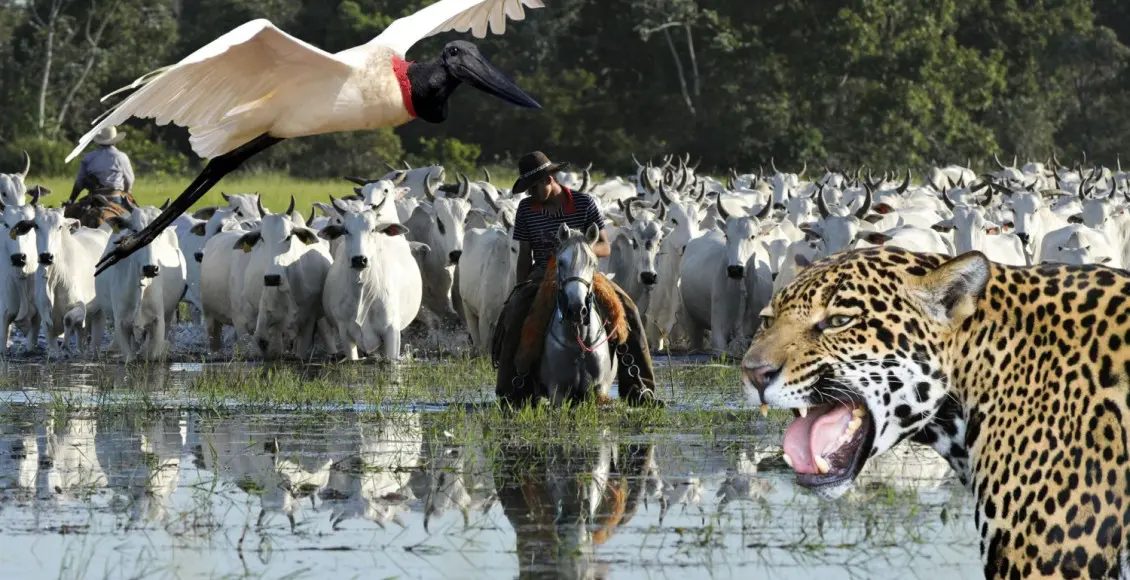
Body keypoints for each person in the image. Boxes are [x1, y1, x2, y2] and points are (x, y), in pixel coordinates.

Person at [492, 151, 659, 407]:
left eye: (533, 188)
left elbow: (605, 245)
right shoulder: (526, 209)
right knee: (514, 313)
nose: (530, 194)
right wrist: (520, 287)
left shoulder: (584, 202)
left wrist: (582, 251)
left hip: (584, 272)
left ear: (548, 179)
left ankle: (639, 387)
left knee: (628, 310)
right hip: (543, 273)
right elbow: (525, 254)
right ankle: (512, 387)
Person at [69, 125, 135, 203]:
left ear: (100, 141)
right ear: (115, 141)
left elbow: (79, 182)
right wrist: (126, 193)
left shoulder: (89, 157)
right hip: (115, 197)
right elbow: (129, 180)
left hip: (94, 198)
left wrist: (71, 200)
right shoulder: (121, 157)